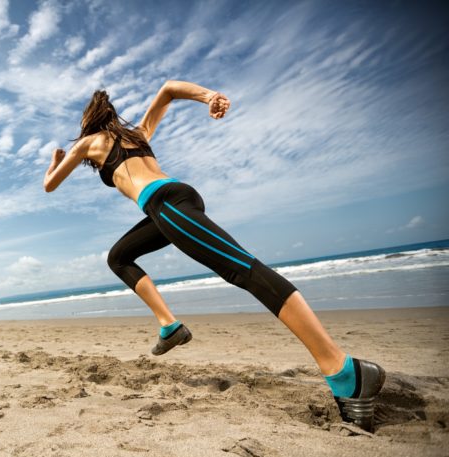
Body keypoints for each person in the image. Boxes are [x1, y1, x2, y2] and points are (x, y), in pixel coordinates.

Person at [42, 80, 386, 431]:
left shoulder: (88, 142)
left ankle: (344, 371)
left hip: (165, 205)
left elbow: (50, 185)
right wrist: (211, 97)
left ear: (89, 123)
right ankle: (169, 326)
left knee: (244, 270)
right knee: (119, 257)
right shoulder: (140, 135)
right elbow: (168, 90)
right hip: (173, 203)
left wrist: (54, 161)